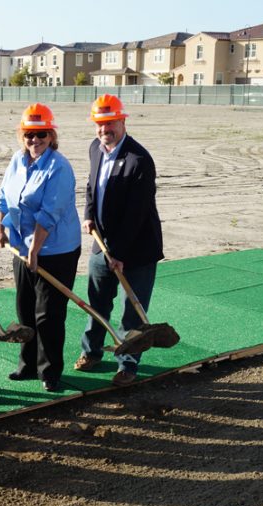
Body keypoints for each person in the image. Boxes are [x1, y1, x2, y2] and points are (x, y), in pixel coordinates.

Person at [73, 94, 163, 386]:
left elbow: (136, 215)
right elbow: (90, 185)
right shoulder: (95, 149)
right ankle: (92, 352)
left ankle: (128, 365)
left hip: (136, 250)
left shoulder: (139, 160)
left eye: (110, 122)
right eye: (100, 123)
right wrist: (88, 214)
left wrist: (120, 253)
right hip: (102, 243)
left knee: (131, 312)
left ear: (122, 121)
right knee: (97, 303)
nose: (104, 129)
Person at [0, 103, 81, 392]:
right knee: (25, 309)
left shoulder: (59, 167)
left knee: (49, 314)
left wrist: (35, 251)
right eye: (29, 134)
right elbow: (3, 197)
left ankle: (49, 370)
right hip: (22, 247)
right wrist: (0, 227)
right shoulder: (18, 160)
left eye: (41, 133)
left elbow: (49, 213)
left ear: (52, 135)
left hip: (55, 251)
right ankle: (28, 364)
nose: (35, 140)